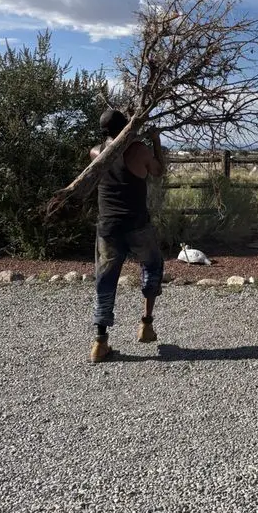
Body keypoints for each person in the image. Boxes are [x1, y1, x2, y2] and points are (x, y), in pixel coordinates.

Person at [89, 108, 166, 363]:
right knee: (152, 265)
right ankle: (146, 324)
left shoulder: (95, 152)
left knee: (105, 280)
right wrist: (155, 141)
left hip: (108, 227)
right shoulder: (139, 151)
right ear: (126, 128)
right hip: (137, 224)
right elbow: (158, 171)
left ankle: (100, 342)